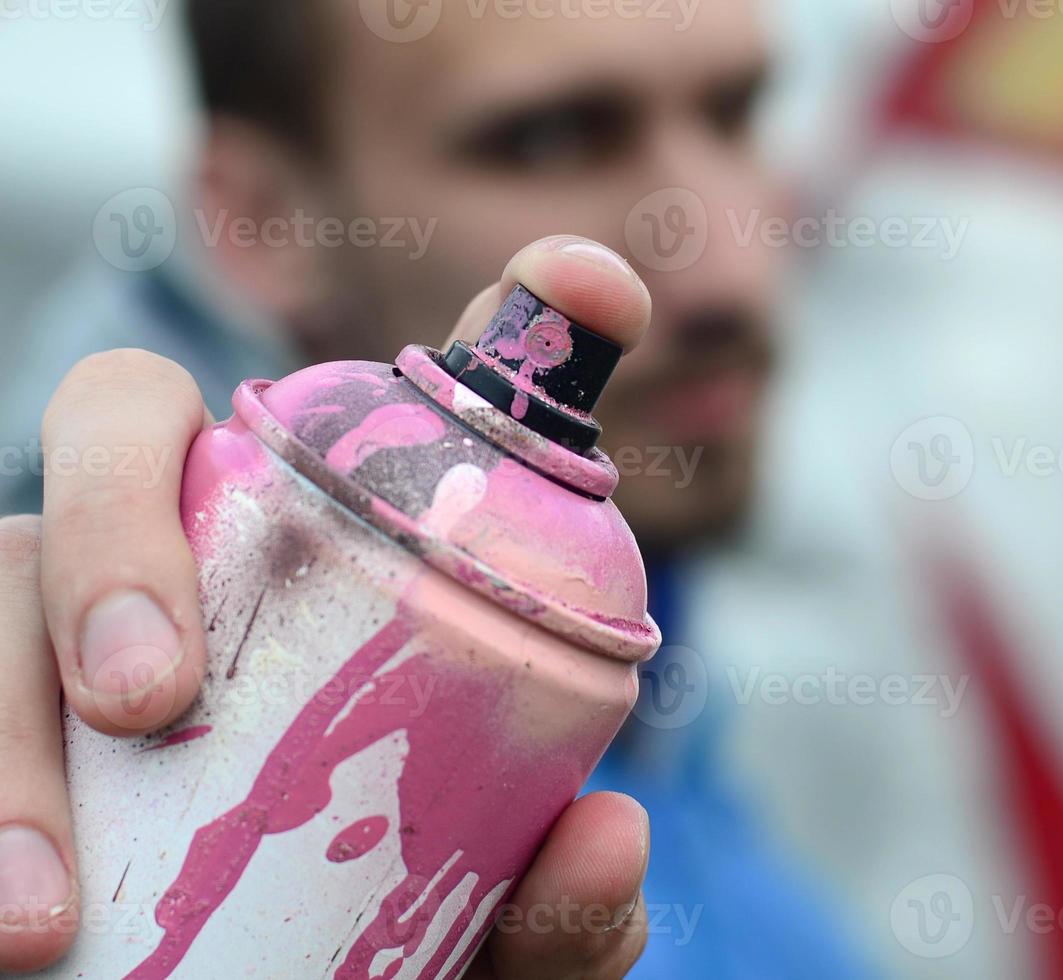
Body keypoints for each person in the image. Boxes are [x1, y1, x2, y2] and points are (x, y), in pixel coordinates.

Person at [0, 0, 872, 976]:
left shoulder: (701, 683)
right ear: (261, 217)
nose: (726, 269)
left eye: (736, 110)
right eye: (547, 140)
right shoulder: (73, 738)